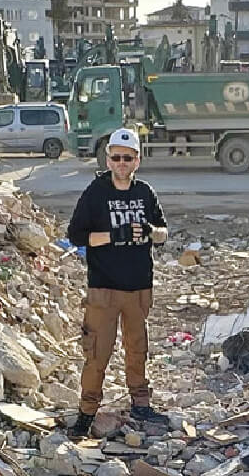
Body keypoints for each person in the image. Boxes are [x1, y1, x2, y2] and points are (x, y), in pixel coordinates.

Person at [65, 128, 170, 439]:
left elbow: (164, 234)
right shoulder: (96, 193)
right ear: (108, 159)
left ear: (137, 160)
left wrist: (150, 230)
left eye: (128, 158)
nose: (122, 163)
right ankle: (86, 412)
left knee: (137, 348)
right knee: (98, 351)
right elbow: (76, 236)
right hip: (104, 289)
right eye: (116, 157)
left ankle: (140, 403)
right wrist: (115, 235)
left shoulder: (145, 193)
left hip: (139, 287)